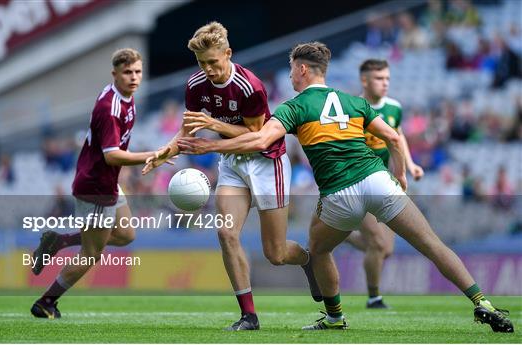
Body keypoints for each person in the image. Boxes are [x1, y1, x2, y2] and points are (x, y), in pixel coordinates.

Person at [177, 42, 514, 333]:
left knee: (319, 249)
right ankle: (482, 301)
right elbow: (395, 137)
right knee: (431, 244)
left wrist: (210, 146)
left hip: (340, 194)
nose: (291, 76)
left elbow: (262, 139)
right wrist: (401, 175)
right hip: (378, 181)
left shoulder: (294, 107)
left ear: (304, 70)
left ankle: (335, 317)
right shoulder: (353, 102)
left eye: (293, 70)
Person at [142, 22, 318, 331]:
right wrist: (162, 154)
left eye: (213, 61)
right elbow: (187, 131)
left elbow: (255, 134)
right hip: (233, 164)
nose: (208, 69)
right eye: (202, 63)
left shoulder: (249, 86)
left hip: (266, 162)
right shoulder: (195, 85)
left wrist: (214, 125)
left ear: (228, 53)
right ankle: (249, 316)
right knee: (225, 233)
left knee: (275, 253)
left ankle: (307, 259)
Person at [30, 48, 174, 319]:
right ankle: (45, 302)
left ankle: (58, 241)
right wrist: (152, 155)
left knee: (126, 235)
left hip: (106, 182)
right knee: (91, 254)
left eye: (138, 72)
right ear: (115, 74)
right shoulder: (110, 108)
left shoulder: (124, 96)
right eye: (127, 72)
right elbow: (111, 156)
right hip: (95, 187)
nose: (134, 78)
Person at [343, 59, 424, 309]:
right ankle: (374, 297)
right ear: (365, 81)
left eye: (387, 78)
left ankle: (341, 234)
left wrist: (409, 166)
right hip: (358, 183)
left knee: (384, 249)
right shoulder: (353, 108)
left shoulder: (394, 107)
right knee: (379, 244)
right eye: (379, 78)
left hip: (384, 182)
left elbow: (397, 137)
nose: (385, 83)